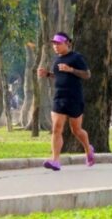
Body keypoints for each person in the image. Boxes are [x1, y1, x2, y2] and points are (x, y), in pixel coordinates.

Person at [36, 32, 95, 171]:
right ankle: (55, 160)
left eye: (58, 43)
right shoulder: (56, 59)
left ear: (67, 43)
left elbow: (87, 74)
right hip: (59, 97)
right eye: (54, 44)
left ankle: (88, 149)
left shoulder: (76, 57)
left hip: (74, 98)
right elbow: (60, 76)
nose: (55, 46)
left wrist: (71, 69)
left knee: (76, 130)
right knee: (56, 128)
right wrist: (48, 74)